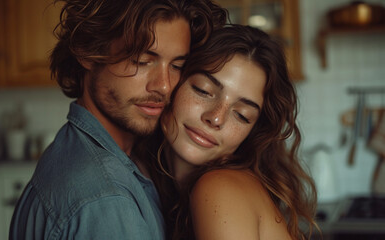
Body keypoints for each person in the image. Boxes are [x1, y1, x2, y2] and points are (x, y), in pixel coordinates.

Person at [9, 0, 227, 239]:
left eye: (177, 65)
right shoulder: (107, 201)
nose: (164, 85)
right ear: (87, 51)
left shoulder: (74, 150)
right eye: (142, 61)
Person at [135, 24, 318, 240]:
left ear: (252, 132)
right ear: (173, 84)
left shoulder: (219, 188)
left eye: (241, 115)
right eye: (203, 91)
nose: (216, 118)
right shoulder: (147, 181)